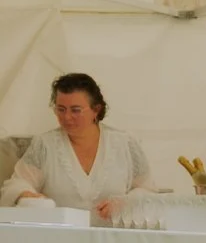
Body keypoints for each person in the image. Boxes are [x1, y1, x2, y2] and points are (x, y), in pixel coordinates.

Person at [2, 73, 154, 218]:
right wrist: (26, 195)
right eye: (61, 109)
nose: (67, 117)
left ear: (96, 110)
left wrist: (126, 203)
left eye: (75, 110)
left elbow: (148, 191)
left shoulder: (125, 144)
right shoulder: (45, 145)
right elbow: (17, 184)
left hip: (114, 234)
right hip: (60, 234)